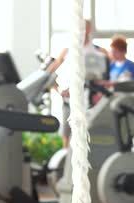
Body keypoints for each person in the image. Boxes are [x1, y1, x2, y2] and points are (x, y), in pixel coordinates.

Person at [49, 20, 110, 148]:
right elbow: (49, 73)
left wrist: (100, 93)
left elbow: (109, 77)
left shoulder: (100, 52)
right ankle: (66, 164)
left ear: (89, 30)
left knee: (91, 136)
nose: (83, 31)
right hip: (69, 102)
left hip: (91, 103)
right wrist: (59, 90)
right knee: (68, 135)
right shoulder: (67, 51)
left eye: (85, 28)